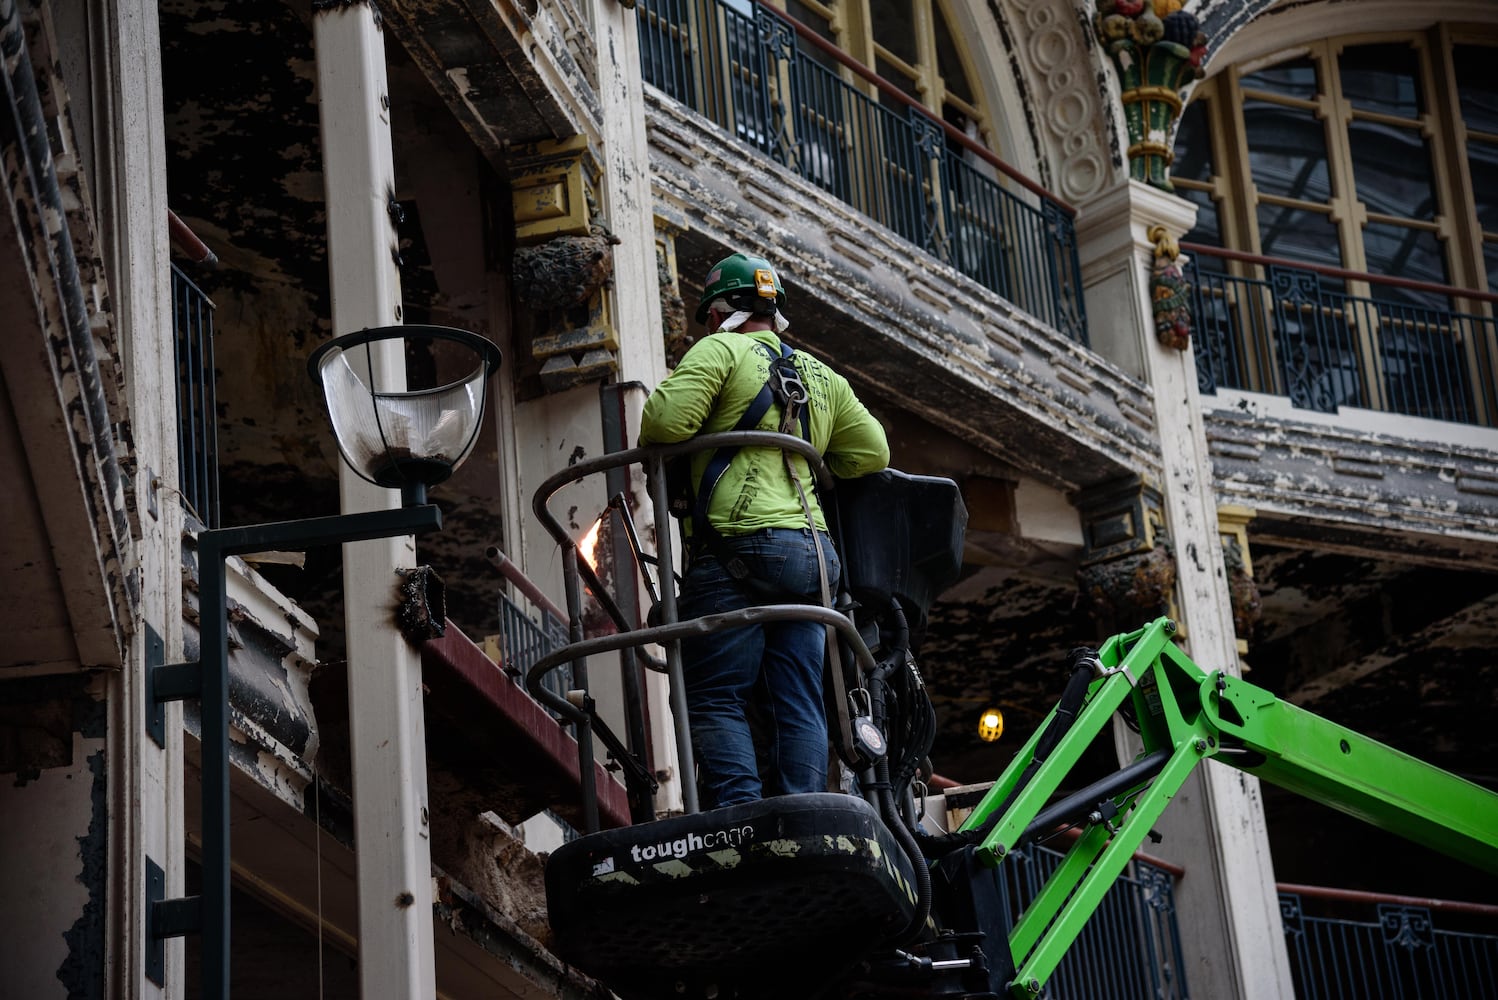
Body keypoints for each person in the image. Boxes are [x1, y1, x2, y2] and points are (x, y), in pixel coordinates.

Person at [638, 252, 890, 807]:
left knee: (715, 695)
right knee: (797, 695)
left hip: (738, 546)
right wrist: (817, 461)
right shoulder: (823, 376)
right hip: (813, 558)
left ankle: (738, 813)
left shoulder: (719, 349)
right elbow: (873, 452)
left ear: (719, 312)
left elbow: (660, 424)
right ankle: (802, 810)